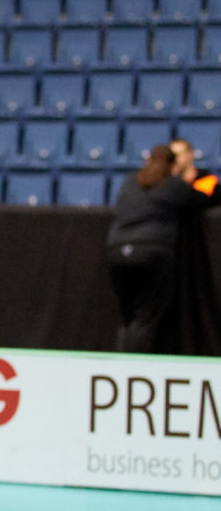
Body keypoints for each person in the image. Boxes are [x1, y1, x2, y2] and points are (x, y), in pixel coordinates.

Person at [106, 140, 215, 352]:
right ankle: (134, 370)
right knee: (146, 318)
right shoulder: (173, 185)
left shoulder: (130, 181)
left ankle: (122, 365)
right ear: (173, 166)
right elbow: (204, 199)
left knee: (129, 318)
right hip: (152, 251)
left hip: (117, 251)